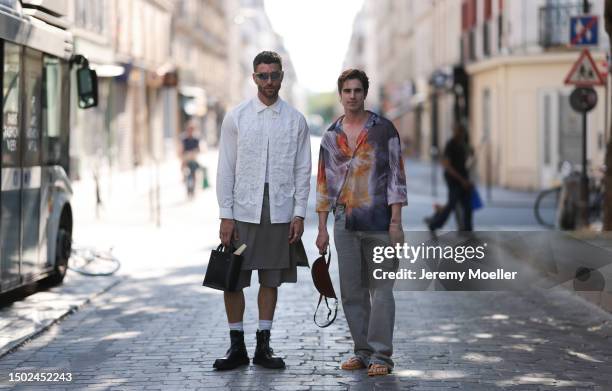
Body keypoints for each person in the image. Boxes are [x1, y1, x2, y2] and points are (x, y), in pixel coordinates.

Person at [214, 51, 311, 370]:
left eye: (274, 75)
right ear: (254, 78)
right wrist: (225, 214)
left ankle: (263, 346)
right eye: (262, 76)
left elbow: (302, 169)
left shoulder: (296, 120)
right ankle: (236, 346)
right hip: (242, 213)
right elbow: (225, 168)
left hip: (279, 213)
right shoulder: (236, 117)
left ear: (282, 76)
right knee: (233, 278)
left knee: (271, 280)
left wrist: (299, 213)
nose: (269, 81)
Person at [315, 69, 407, 376]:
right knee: (352, 292)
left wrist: (396, 222)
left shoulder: (384, 130)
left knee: (381, 291)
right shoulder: (330, 135)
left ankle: (382, 356)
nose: (352, 95)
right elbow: (323, 184)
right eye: (347, 91)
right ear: (340, 95)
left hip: (380, 222)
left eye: (357, 90)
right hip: (345, 225)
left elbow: (396, 176)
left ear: (364, 93)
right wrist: (322, 228)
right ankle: (362, 351)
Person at [424, 123, 473, 232]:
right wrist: (462, 180)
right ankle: (435, 223)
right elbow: (447, 165)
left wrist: (467, 180)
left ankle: (467, 228)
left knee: (466, 205)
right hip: (454, 180)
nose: (460, 134)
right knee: (452, 204)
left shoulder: (463, 144)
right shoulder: (450, 144)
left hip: (463, 179)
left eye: (461, 131)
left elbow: (467, 162)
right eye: (458, 131)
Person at [181, 121, 201, 198]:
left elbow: (199, 149)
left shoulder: (196, 139)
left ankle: (193, 189)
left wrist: (194, 153)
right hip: (186, 159)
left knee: (194, 173)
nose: (190, 131)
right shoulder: (184, 139)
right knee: (185, 171)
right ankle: (185, 183)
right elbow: (181, 150)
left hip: (193, 158)